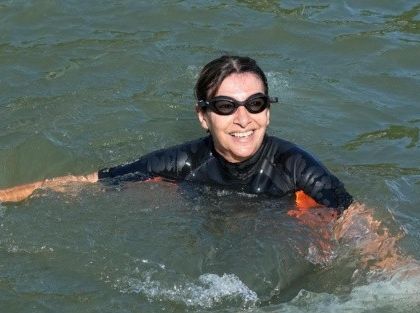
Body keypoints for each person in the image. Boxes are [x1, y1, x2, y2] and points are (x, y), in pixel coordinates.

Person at [0, 55, 353, 213]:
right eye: (226, 106)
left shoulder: (295, 166)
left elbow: (355, 217)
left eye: (255, 103)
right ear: (203, 116)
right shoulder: (184, 161)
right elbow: (86, 182)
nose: (244, 119)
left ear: (268, 111)